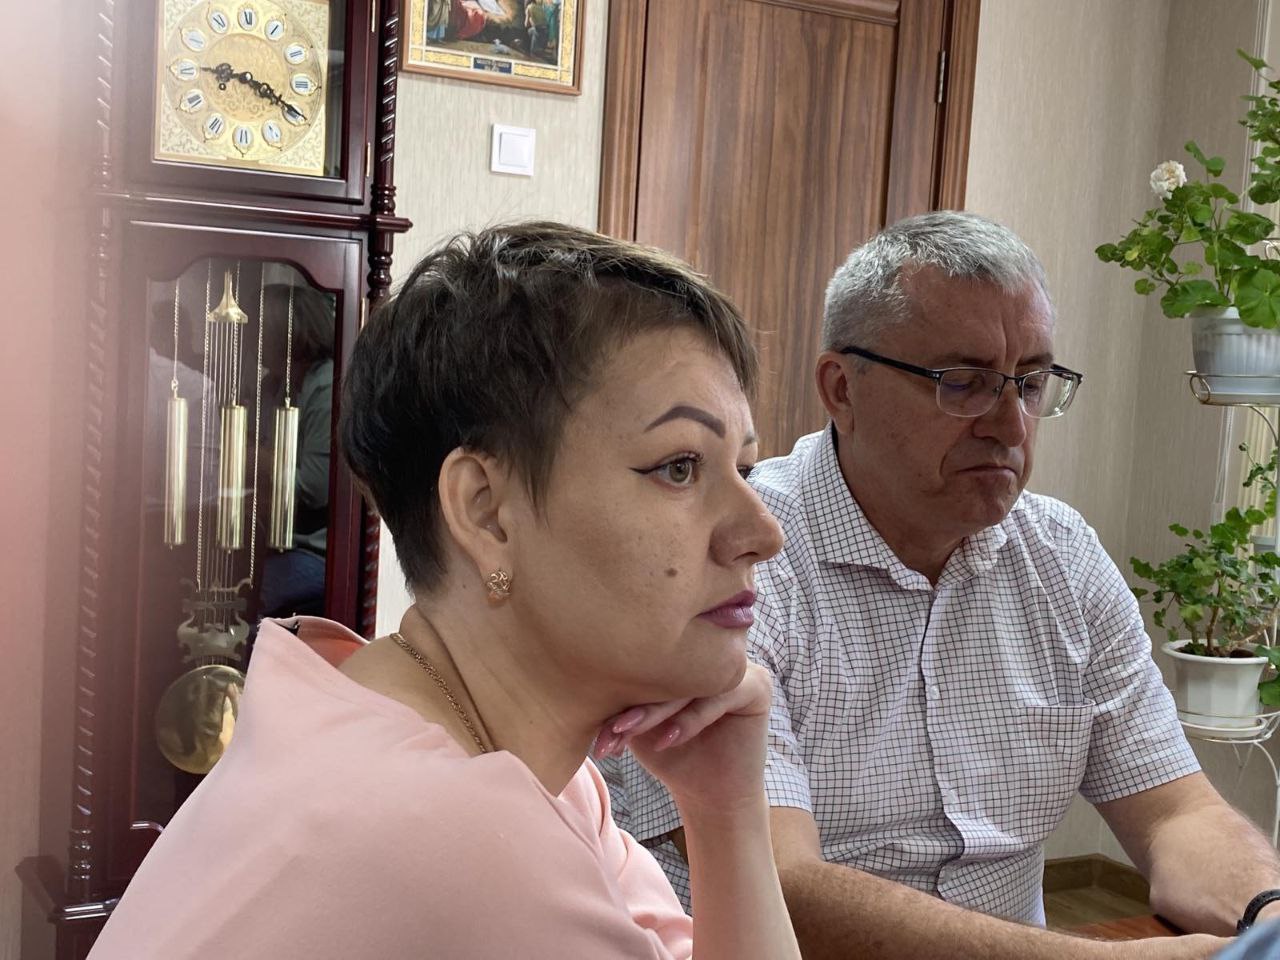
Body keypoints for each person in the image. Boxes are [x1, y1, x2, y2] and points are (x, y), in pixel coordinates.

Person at [86, 222, 800, 959]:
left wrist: (724, 807)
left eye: (744, 469)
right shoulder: (459, 832)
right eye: (679, 467)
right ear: (485, 511)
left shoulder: (461, 745)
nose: (762, 532)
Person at [606, 211, 1279, 958]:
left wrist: (1268, 914)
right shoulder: (731, 563)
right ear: (841, 389)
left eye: (1030, 383)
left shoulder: (1061, 557)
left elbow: (1176, 812)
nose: (1011, 426)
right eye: (963, 384)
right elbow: (779, 883)